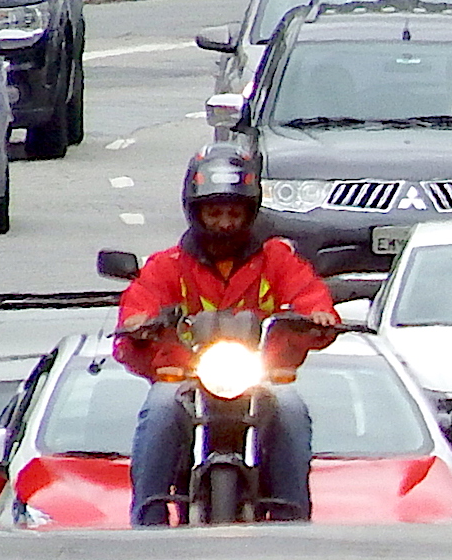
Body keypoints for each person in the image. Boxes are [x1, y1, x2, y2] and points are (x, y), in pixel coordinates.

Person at [116, 146, 337, 526]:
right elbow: (140, 305)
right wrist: (140, 323)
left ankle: (292, 515)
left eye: (233, 213)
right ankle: (147, 517)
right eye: (214, 213)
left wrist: (318, 316)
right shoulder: (166, 265)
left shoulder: (278, 260)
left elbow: (310, 296)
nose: (223, 223)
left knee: (290, 409)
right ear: (195, 211)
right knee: (161, 408)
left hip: (261, 375)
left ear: (250, 213)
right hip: (186, 377)